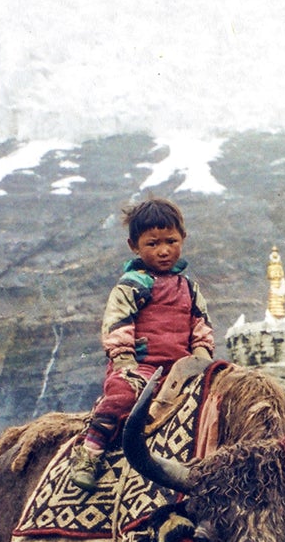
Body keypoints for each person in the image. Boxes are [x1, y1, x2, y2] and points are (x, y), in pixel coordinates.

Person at [70, 196, 214, 490]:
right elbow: (118, 323)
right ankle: (90, 453)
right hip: (142, 367)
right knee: (122, 396)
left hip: (182, 371)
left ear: (183, 239)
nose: (164, 251)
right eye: (152, 243)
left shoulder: (189, 287)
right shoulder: (132, 284)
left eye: (171, 241)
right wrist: (125, 361)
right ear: (134, 246)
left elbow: (201, 326)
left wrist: (202, 358)